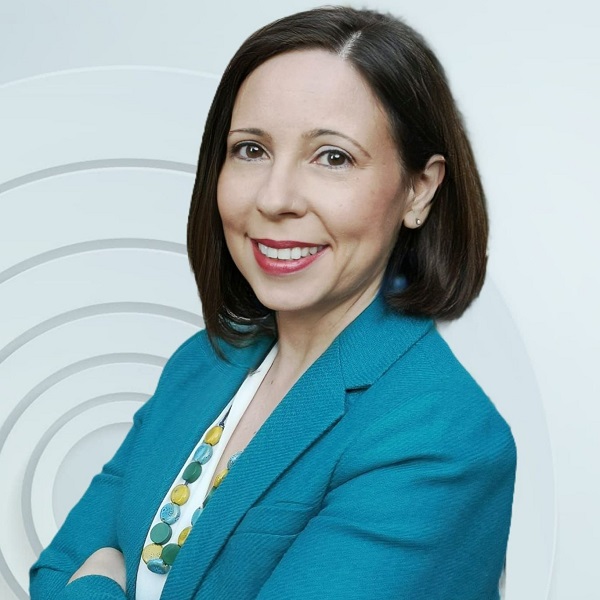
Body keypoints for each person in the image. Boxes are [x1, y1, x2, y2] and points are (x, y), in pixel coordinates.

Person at [29, 6, 516, 600]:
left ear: (419, 190)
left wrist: (99, 579)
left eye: (333, 157)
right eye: (251, 150)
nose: (275, 197)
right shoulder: (204, 362)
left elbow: (73, 578)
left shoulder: (440, 439)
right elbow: (52, 570)